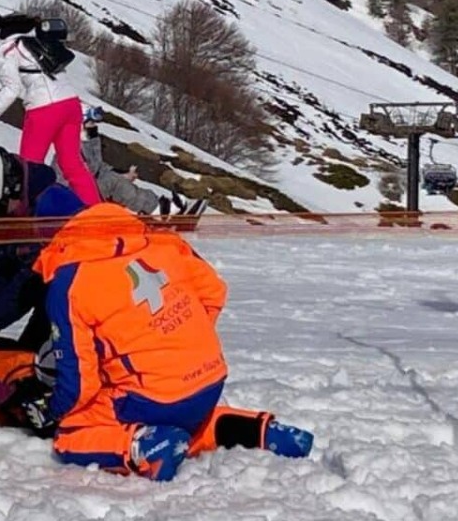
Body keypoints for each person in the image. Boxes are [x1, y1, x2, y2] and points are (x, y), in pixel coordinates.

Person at [31, 201, 313, 481]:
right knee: (191, 421)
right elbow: (214, 292)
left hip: (152, 396)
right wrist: (179, 339)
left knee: (72, 432)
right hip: (210, 378)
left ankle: (145, 447)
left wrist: (52, 410)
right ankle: (260, 432)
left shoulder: (69, 284)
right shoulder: (161, 241)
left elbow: (80, 382)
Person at [0, 0, 101, 206]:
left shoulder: (1, 48)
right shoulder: (25, 33)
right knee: (73, 165)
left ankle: (32, 221)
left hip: (44, 110)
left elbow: (12, 88)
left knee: (30, 170)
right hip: (70, 104)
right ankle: (98, 213)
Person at [0, 145, 83, 353]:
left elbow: (27, 286)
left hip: (81, 302)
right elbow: (6, 270)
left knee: (37, 360)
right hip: (51, 293)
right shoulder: (12, 213)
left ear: (12, 190)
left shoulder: (53, 209)